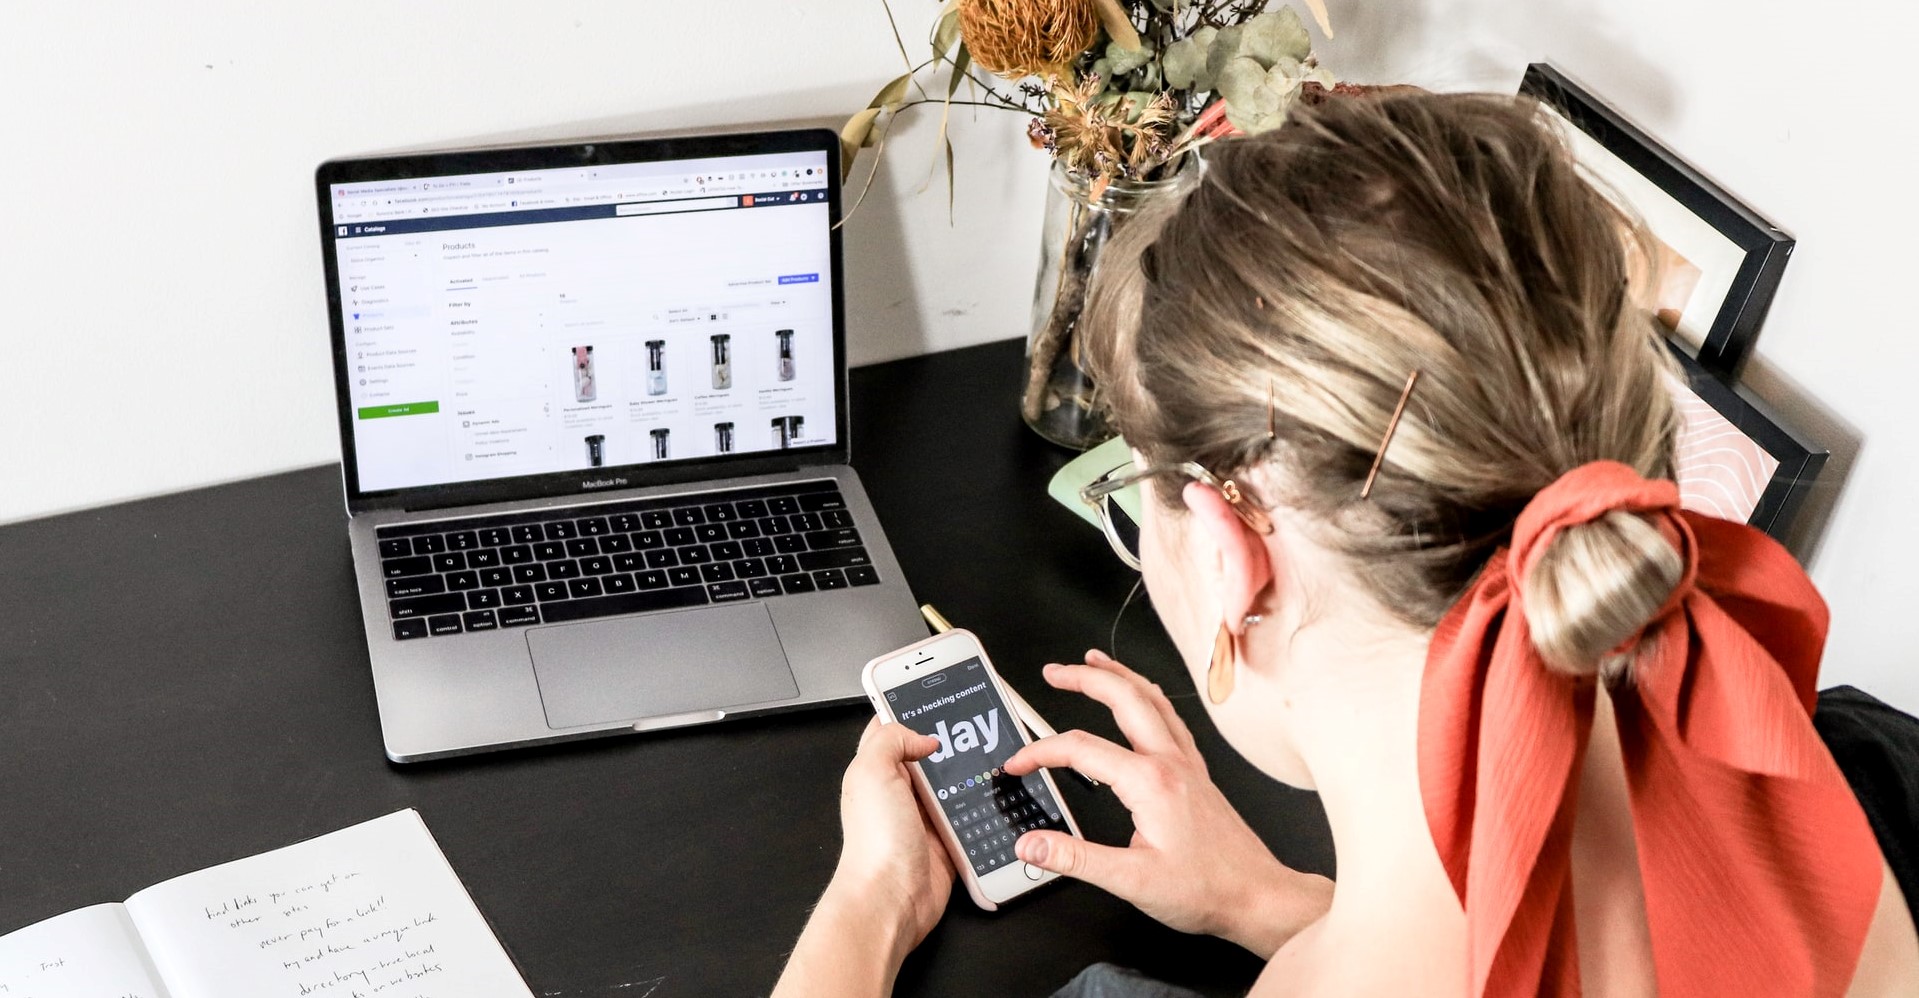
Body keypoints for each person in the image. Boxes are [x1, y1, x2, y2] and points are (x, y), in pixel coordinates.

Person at [771, 92, 1919, 997]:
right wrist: (1267, 899)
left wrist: (872, 898)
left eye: (1138, 493)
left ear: (1229, 551)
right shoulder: (1848, 768)